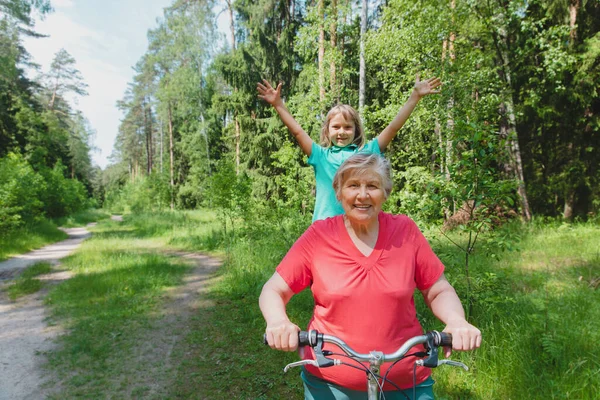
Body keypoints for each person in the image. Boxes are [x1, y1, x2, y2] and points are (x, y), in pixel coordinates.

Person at [259, 153, 481, 400]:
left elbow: (438, 290)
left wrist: (457, 321)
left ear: (385, 192)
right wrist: (278, 321)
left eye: (372, 186)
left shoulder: (405, 232)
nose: (362, 195)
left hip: (406, 381)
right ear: (339, 193)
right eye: (353, 185)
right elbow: (274, 290)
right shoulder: (319, 237)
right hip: (330, 383)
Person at [257, 77, 441, 221]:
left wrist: (414, 97)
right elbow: (297, 132)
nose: (342, 132)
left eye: (347, 127)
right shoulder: (320, 156)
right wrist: (278, 104)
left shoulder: (367, 154)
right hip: (325, 228)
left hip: (358, 226)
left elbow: (393, 128)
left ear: (356, 130)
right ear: (327, 131)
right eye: (336, 127)